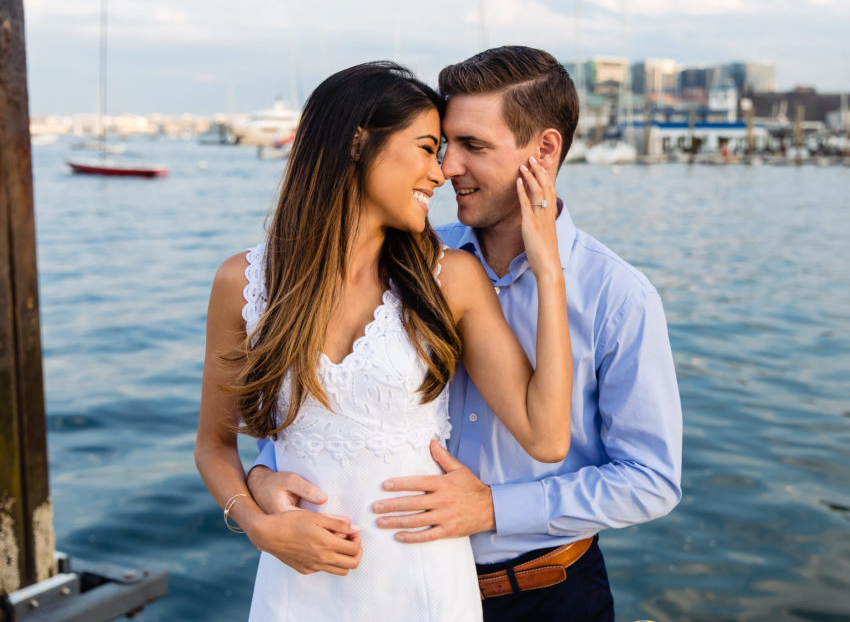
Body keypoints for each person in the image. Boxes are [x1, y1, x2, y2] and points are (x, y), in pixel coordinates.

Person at [249, 46, 683, 621]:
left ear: (544, 150)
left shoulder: (619, 297)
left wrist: (494, 510)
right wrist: (260, 475)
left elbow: (651, 480)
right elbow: (322, 403)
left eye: (473, 147)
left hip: (549, 596)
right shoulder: (412, 256)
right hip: (385, 584)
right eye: (443, 144)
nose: (448, 167)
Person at [194, 61, 575, 621]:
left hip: (422, 588)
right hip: (296, 590)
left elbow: (546, 438)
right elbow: (213, 444)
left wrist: (549, 272)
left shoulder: (451, 281)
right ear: (356, 144)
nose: (441, 172)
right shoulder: (243, 283)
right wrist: (260, 526)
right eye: (426, 147)